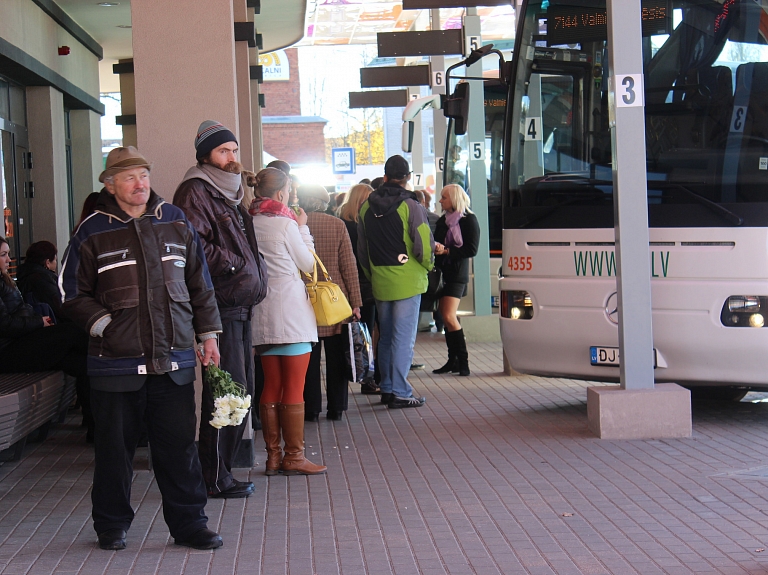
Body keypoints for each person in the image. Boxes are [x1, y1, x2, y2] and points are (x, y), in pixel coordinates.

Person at [60, 146, 224, 551]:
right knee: (115, 453)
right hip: (116, 363)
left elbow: (199, 285)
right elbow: (68, 292)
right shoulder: (92, 230)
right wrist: (103, 326)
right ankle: (111, 526)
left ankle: (190, 525)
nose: (140, 183)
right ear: (110, 183)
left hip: (174, 360)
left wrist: (208, 336)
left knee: (179, 450)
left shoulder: (174, 221)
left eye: (144, 175)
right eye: (129, 176)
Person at [173, 120, 268, 500]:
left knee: (238, 393)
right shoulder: (196, 191)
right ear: (206, 156)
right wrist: (238, 266)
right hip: (219, 308)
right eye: (223, 151)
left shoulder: (228, 192)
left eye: (234, 150)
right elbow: (192, 246)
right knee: (224, 395)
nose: (231, 158)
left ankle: (221, 471)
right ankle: (214, 476)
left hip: (239, 307)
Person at [249, 167, 326, 476]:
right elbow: (308, 264)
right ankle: (294, 457)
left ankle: (272, 457)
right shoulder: (285, 224)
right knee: (294, 386)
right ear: (280, 193)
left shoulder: (248, 222)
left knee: (271, 385)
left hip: (262, 313)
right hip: (291, 313)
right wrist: (304, 228)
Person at [357, 155, 434, 409]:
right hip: (408, 281)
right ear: (407, 178)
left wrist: (372, 274)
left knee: (386, 336)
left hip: (380, 279)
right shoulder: (411, 206)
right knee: (403, 338)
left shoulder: (366, 207)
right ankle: (401, 391)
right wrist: (429, 265)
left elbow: (362, 249)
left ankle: (388, 387)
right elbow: (423, 244)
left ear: (386, 176)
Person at [0, 237, 92, 439]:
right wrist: (39, 322)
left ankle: (96, 426)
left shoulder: (7, 280)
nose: (9, 260)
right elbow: (5, 325)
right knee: (76, 333)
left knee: (81, 363)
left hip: (20, 341)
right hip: (9, 351)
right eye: (3, 255)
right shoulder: (29, 279)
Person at [298, 184, 362, 421]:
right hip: (336, 302)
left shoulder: (295, 226)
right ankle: (337, 408)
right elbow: (349, 266)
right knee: (337, 357)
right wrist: (355, 302)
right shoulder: (337, 225)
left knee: (309, 359)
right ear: (325, 204)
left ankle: (311, 408)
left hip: (305, 300)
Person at [432, 184, 480, 376]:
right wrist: (437, 247)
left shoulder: (469, 220)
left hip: (457, 274)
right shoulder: (443, 221)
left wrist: (448, 250)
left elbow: (472, 249)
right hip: (442, 274)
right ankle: (453, 360)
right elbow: (436, 240)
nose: (440, 200)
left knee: (450, 316)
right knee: (445, 316)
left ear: (454, 199)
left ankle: (463, 361)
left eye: (444, 197)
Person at [338, 183, 378, 395]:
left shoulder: (341, 223)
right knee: (365, 333)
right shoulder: (361, 226)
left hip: (347, 288)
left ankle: (358, 374)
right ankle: (366, 377)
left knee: (350, 334)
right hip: (364, 285)